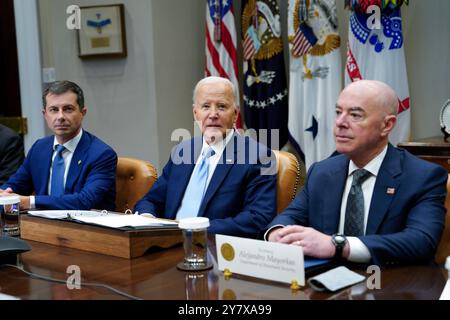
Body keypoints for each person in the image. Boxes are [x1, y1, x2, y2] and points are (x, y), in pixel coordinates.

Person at [266, 80, 448, 266]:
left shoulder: (423, 177)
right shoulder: (322, 172)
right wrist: (277, 233)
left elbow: (421, 241)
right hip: (328, 283)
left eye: (355, 115)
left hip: (391, 283)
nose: (340, 123)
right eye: (338, 112)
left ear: (387, 125)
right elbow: (290, 216)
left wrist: (339, 245)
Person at [134, 76, 277, 238]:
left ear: (235, 114)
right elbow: (151, 200)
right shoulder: (182, 151)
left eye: (222, 107)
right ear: (196, 113)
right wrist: (146, 218)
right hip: (165, 244)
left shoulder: (258, 157)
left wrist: (194, 230)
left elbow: (257, 218)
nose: (213, 114)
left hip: (213, 249)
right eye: (206, 106)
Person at [0, 80, 117, 211]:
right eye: (54, 110)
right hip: (43, 226)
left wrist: (28, 202)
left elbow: (84, 201)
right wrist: (4, 194)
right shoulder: (39, 148)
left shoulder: (102, 154)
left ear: (82, 113)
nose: (60, 116)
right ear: (45, 115)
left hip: (89, 228)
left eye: (68, 109)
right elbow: (15, 185)